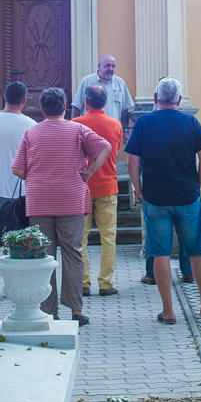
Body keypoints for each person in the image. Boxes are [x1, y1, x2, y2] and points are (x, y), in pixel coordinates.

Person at [13, 87, 111, 325]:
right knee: (73, 254)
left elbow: (18, 170)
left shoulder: (31, 133)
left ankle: (49, 312)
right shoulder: (78, 130)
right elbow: (105, 148)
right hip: (71, 199)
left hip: (40, 202)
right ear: (65, 107)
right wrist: (88, 171)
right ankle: (76, 311)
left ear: (42, 109)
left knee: (44, 256)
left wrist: (39, 176)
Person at [125, 77, 201, 325]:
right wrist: (196, 182)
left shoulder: (143, 123)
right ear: (177, 100)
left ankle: (169, 311)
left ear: (155, 98)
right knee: (197, 250)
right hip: (187, 195)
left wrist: (139, 189)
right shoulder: (190, 121)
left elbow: (132, 161)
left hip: (156, 197)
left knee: (160, 253)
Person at [0, 82, 35, 297]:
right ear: (24, 100)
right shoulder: (30, 124)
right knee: (20, 236)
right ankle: (17, 283)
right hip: (20, 189)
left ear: (4, 96)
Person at [74, 83, 125, 297]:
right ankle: (106, 283)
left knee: (80, 238)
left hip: (81, 187)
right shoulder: (115, 125)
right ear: (104, 102)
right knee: (108, 237)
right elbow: (117, 150)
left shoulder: (75, 124)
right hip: (107, 185)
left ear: (85, 102)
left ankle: (83, 282)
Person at [73, 55, 135, 125]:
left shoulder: (120, 83)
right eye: (107, 65)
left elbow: (125, 109)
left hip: (112, 128)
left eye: (113, 66)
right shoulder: (86, 81)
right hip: (89, 129)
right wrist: (72, 128)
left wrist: (126, 130)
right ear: (99, 66)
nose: (111, 69)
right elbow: (77, 107)